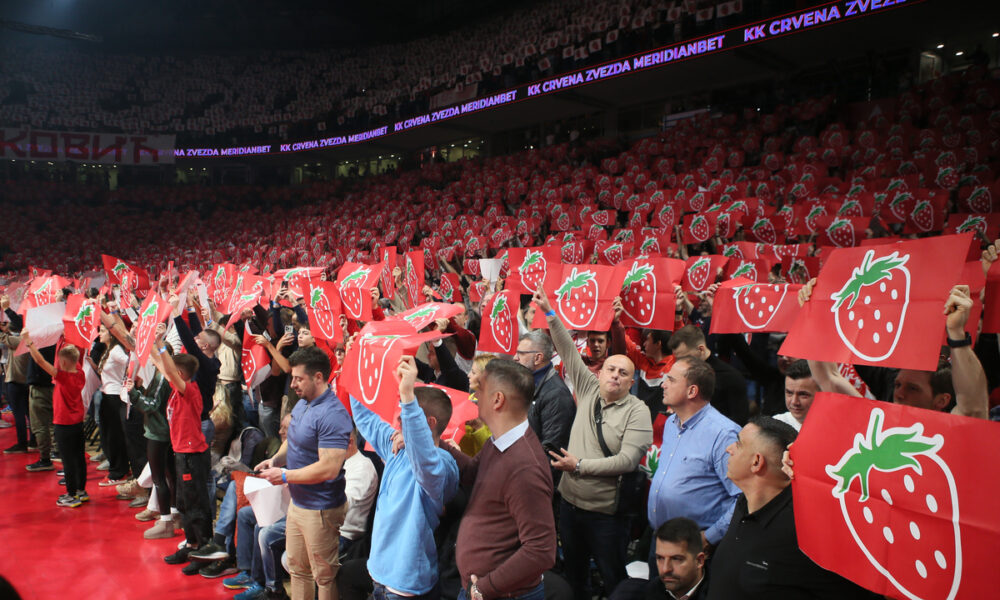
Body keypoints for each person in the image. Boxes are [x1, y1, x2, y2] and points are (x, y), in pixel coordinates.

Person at [533, 286, 652, 599]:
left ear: (631, 381)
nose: (614, 375)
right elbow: (568, 350)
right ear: (599, 374)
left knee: (613, 578)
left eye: (622, 372)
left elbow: (628, 461)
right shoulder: (587, 388)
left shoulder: (638, 411)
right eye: (610, 369)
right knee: (575, 578)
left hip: (606, 516)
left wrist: (579, 466)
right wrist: (549, 312)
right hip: (570, 508)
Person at [708, 417, 878, 599]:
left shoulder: (806, 531)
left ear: (756, 462)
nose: (729, 449)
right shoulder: (744, 504)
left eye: (739, 443)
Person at [441, 358, 556, 600]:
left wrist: (485, 587)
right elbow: (473, 471)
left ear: (497, 399)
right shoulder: (500, 441)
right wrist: (434, 443)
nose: (473, 393)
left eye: (480, 388)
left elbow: (541, 550)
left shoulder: (525, 469)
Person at [351, 355, 459, 599]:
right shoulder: (397, 449)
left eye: (406, 416)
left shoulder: (443, 465)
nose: (398, 422)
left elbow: (426, 462)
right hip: (378, 574)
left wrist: (409, 396)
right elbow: (366, 418)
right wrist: (357, 365)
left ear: (428, 422)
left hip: (406, 585)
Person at [255, 346, 352, 600]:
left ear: (318, 378)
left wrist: (285, 476)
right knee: (298, 569)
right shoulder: (302, 404)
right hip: (299, 503)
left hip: (320, 508)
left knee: (324, 577)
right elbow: (295, 440)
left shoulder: (333, 414)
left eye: (299, 378)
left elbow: (329, 468)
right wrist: (275, 459)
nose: (294, 383)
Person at [648, 357, 740, 562]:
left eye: (671, 380)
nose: (663, 384)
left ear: (692, 391)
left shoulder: (724, 434)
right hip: (661, 540)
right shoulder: (672, 423)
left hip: (695, 548)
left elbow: (743, 497)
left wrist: (710, 537)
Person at [149, 333, 216, 566]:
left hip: (192, 455)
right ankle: (191, 544)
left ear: (179, 374)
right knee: (185, 502)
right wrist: (147, 342)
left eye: (172, 372)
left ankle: (202, 548)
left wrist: (160, 345)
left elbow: (166, 368)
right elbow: (160, 365)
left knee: (195, 502)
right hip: (182, 453)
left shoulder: (190, 390)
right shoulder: (179, 387)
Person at [23, 334, 87, 507]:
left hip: (64, 424)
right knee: (79, 457)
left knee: (68, 461)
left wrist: (29, 342)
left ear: (63, 362)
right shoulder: (80, 374)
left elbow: (41, 362)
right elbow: (76, 353)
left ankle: (71, 494)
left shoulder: (62, 377)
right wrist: (63, 339)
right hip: (77, 423)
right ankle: (81, 491)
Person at [609, 517, 709, 600]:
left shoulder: (719, 592)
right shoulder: (630, 594)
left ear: (699, 561)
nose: (665, 569)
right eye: (660, 558)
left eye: (676, 559)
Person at [669, 325, 748, 426]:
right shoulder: (682, 374)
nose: (681, 363)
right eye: (677, 359)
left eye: (685, 358)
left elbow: (739, 421)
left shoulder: (731, 377)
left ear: (701, 350)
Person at [514, 330, 575, 459]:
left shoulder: (557, 396)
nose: (515, 358)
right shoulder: (524, 383)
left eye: (521, 353)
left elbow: (552, 452)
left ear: (537, 358)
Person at [773, 359, 818, 432]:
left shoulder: (835, 427)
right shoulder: (775, 426)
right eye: (789, 393)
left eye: (803, 394)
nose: (794, 402)